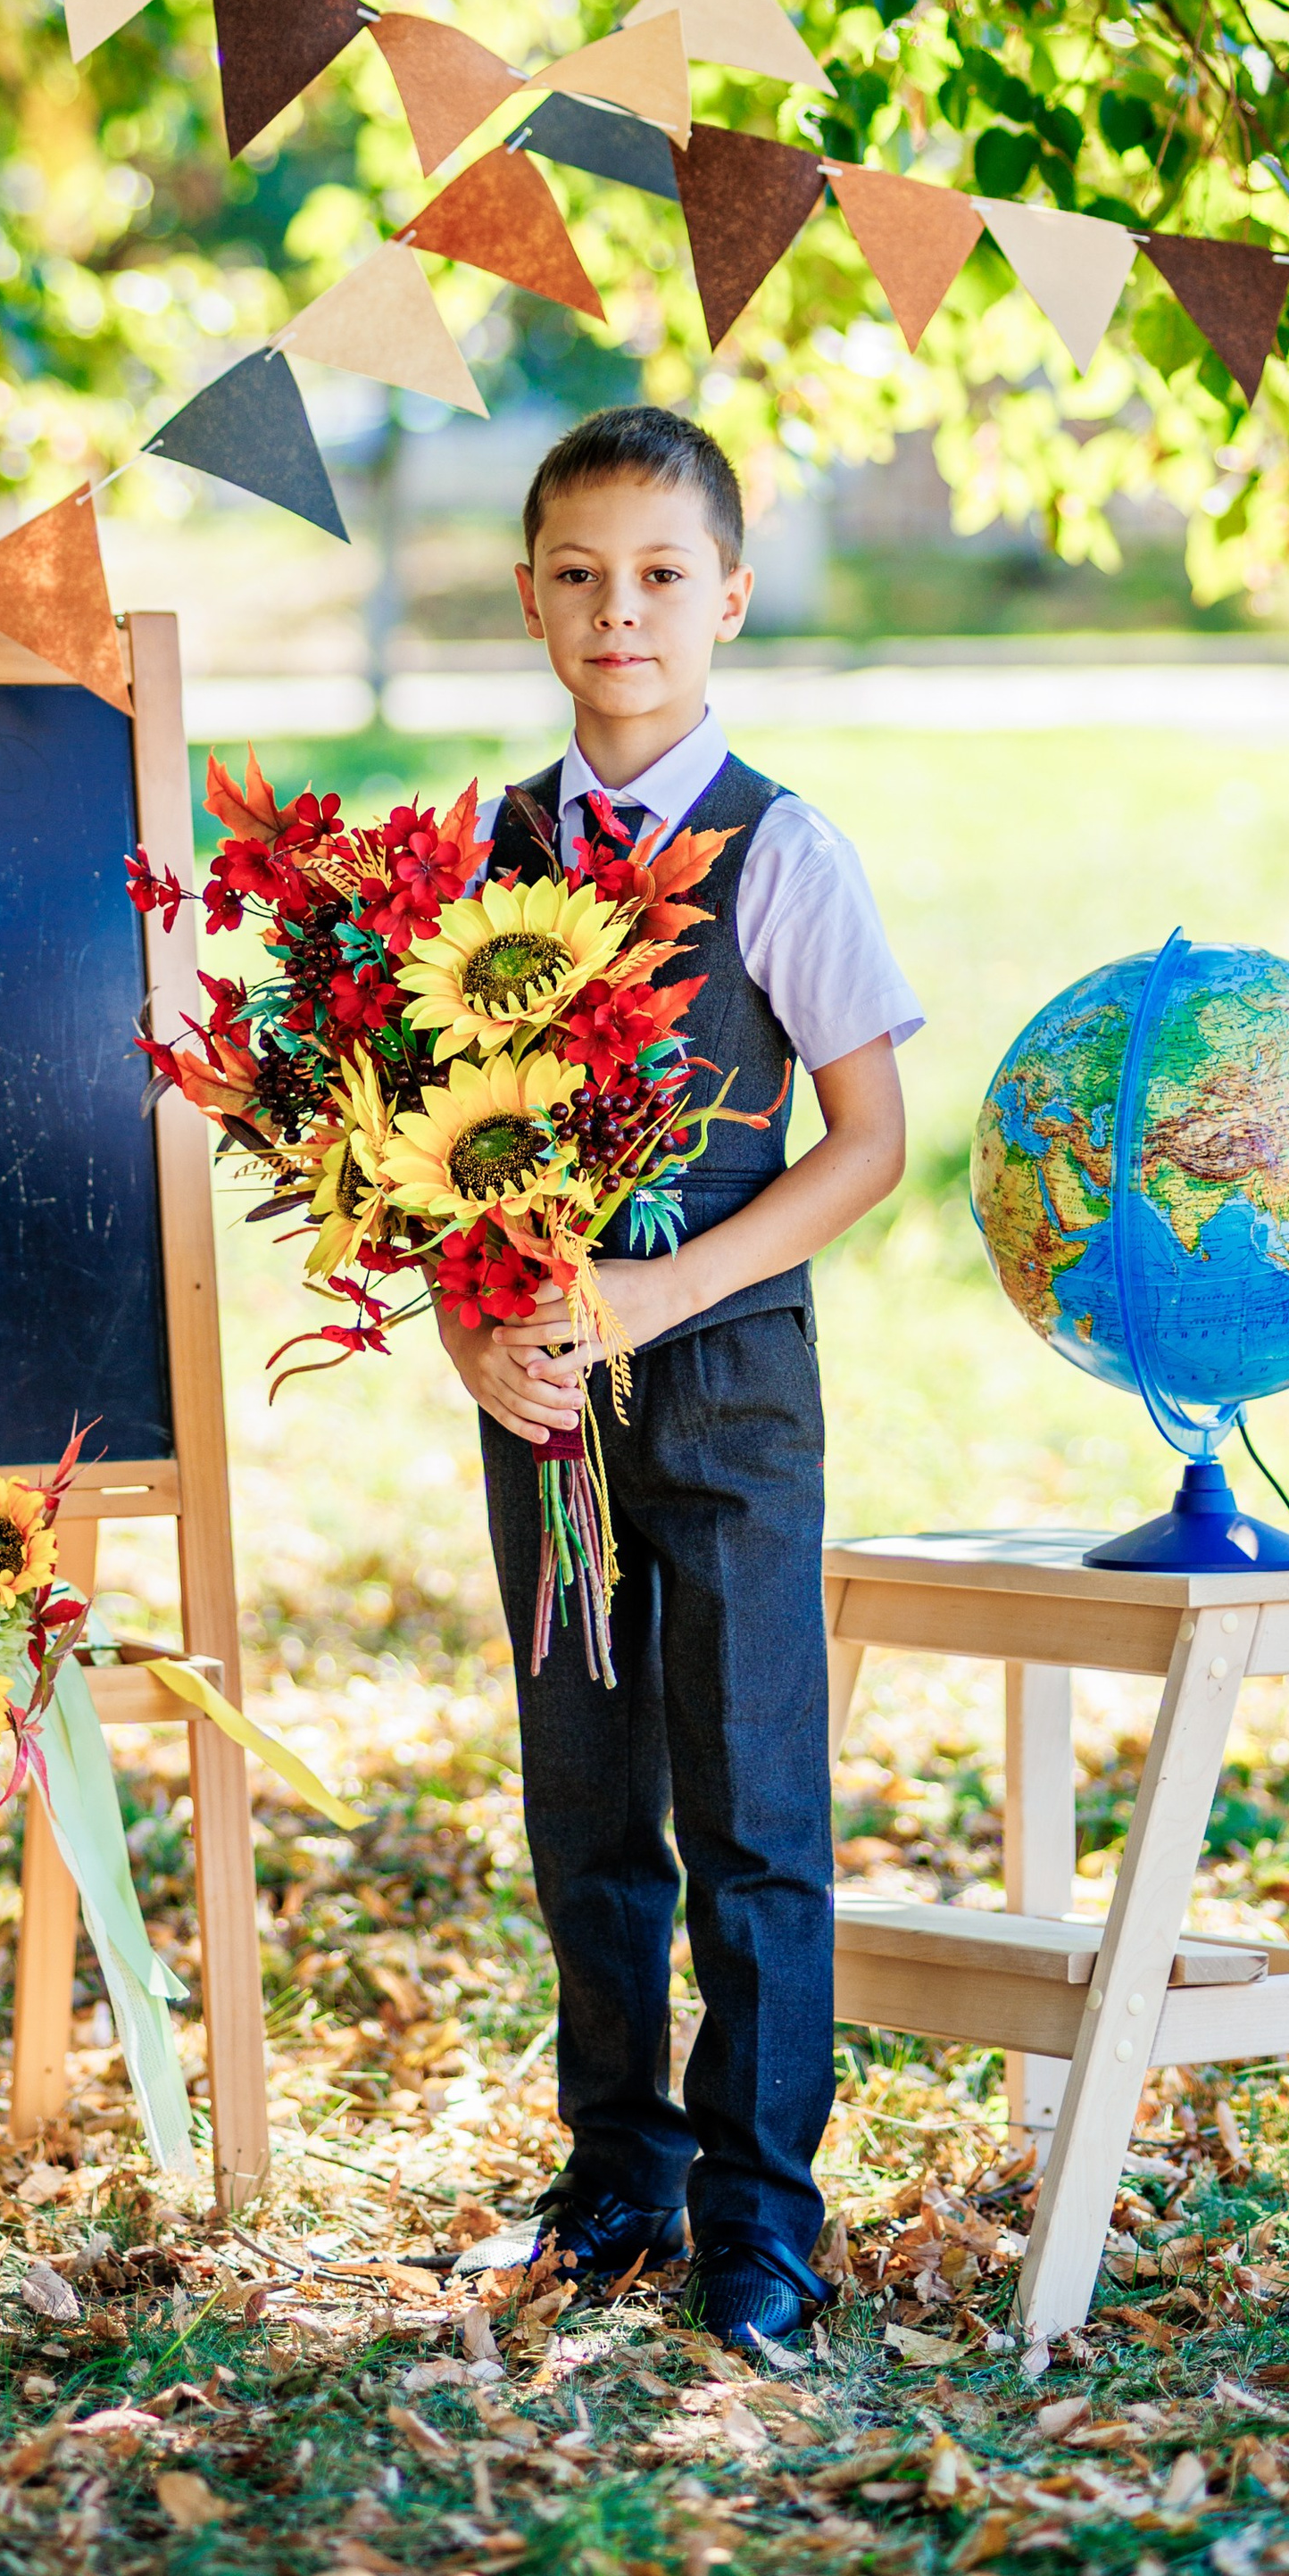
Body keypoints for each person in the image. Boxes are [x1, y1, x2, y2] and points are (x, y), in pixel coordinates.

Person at [437, 404, 923, 2351]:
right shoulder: (481, 854)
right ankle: (613, 2171)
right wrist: (477, 1333)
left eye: (657, 575)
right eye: (577, 575)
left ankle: (760, 2214)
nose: (616, 612)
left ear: (725, 594)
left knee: (746, 1811)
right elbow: (426, 1139)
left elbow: (867, 1141)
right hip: (540, 1412)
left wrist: (655, 1300)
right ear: (532, 597)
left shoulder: (779, 850)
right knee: (583, 1812)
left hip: (720, 1394)